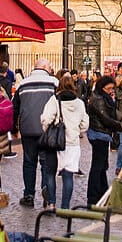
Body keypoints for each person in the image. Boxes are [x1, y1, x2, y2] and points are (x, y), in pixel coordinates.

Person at [11, 58, 59, 207]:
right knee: (46, 162)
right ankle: (46, 189)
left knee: (29, 162)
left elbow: (15, 107)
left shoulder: (23, 84)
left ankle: (29, 195)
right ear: (44, 67)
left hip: (27, 129)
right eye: (50, 66)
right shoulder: (53, 83)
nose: (51, 69)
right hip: (47, 129)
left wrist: (14, 127)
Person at [40, 72, 88, 209]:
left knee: (50, 173)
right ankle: (65, 206)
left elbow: (46, 118)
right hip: (72, 143)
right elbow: (85, 124)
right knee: (68, 176)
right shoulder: (79, 103)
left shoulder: (54, 100)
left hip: (55, 142)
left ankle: (52, 203)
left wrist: (47, 129)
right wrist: (76, 129)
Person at [86, 74, 120, 207]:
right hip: (99, 134)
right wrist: (118, 126)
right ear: (102, 87)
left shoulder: (104, 97)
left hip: (103, 134)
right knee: (98, 165)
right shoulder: (98, 99)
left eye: (112, 88)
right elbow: (104, 116)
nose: (111, 91)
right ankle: (94, 196)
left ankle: (101, 193)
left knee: (102, 165)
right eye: (109, 88)